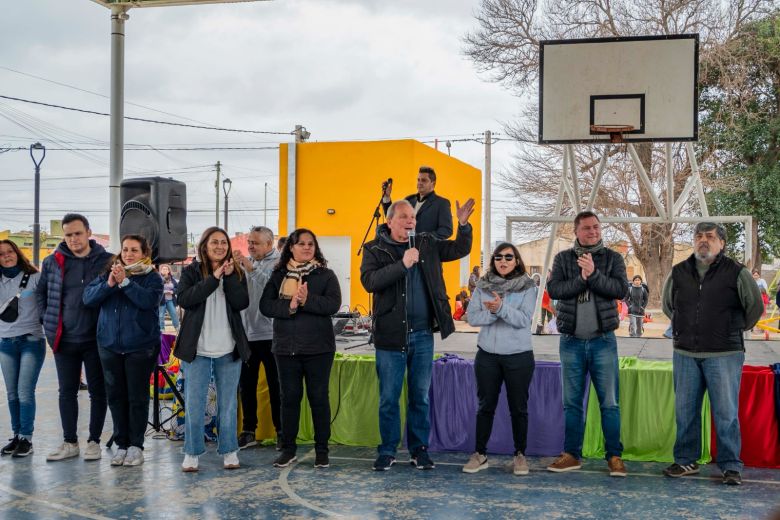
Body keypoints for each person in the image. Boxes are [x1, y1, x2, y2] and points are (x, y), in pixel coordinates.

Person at [361, 197, 475, 471]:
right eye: (404, 217)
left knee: (419, 397)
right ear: (389, 221)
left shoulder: (426, 243)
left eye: (413, 217)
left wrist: (463, 225)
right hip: (390, 336)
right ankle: (387, 450)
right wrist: (403, 264)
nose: (411, 221)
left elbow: (459, 248)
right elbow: (370, 282)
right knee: (389, 398)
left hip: (423, 335)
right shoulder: (374, 248)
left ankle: (419, 449)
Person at [661, 222, 763, 486]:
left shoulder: (738, 273)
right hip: (685, 353)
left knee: (726, 413)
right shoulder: (678, 272)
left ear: (722, 243)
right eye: (698, 236)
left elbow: (753, 309)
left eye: (709, 236)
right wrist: (687, 328)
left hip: (724, 354)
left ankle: (730, 466)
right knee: (686, 411)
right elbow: (669, 306)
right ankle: (686, 460)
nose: (703, 240)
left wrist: (729, 330)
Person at [546, 211, 628, 477]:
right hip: (571, 342)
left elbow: (620, 290)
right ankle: (572, 454)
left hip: (603, 341)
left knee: (610, 403)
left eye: (596, 227)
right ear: (576, 231)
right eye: (586, 228)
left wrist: (593, 275)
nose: (592, 231)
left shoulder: (613, 258)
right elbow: (555, 290)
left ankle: (614, 456)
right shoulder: (562, 259)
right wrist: (581, 279)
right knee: (571, 403)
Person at [260, 228, 341, 469]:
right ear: (291, 248)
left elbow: (333, 304)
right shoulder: (278, 276)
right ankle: (288, 449)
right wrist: (291, 305)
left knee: (318, 399)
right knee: (289, 400)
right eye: (301, 243)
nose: (307, 247)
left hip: (319, 349)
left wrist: (307, 300)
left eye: (311, 244)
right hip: (286, 349)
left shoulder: (326, 275)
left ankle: (322, 451)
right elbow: (266, 306)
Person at [36, 213, 112, 462]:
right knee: (66, 392)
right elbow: (41, 296)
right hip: (64, 340)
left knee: (97, 392)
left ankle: (93, 442)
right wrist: (47, 324)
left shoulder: (107, 260)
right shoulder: (52, 262)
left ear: (89, 232)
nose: (73, 238)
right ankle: (70, 442)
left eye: (77, 233)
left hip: (96, 340)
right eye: (68, 234)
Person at [82, 235, 163, 467]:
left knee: (137, 398)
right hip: (109, 346)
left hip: (140, 348)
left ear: (144, 253)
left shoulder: (152, 278)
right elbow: (88, 298)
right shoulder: (109, 273)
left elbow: (148, 301)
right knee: (116, 397)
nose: (128, 254)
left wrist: (126, 283)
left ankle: (136, 446)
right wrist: (109, 284)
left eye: (134, 250)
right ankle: (122, 444)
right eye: (125, 249)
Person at [176, 227, 250, 472]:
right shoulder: (191, 272)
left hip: (228, 348)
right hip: (196, 349)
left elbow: (241, 303)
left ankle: (229, 450)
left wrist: (228, 277)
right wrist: (214, 278)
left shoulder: (236, 273)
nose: (219, 246)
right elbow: (185, 299)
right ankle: (192, 453)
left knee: (227, 404)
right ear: (204, 246)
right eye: (214, 242)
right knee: (194, 403)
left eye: (223, 242)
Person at [462, 243, 537, 476]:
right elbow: (472, 317)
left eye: (508, 257)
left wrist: (501, 308)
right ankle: (480, 454)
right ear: (493, 261)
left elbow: (524, 320)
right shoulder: (482, 286)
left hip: (519, 356)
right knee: (485, 407)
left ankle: (520, 455)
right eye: (498, 257)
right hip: (487, 357)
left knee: (519, 408)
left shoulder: (528, 286)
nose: (503, 261)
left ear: (516, 261)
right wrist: (494, 313)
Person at [233, 226, 282, 450]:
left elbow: (273, 288)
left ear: (269, 244)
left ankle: (282, 431)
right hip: (246, 333)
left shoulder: (280, 264)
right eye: (250, 242)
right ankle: (248, 430)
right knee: (247, 385)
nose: (250, 246)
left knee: (276, 385)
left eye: (255, 243)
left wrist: (251, 269)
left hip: (271, 335)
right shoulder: (244, 264)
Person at [0, 240, 45, 458]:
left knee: (24, 392)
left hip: (31, 341)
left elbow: (49, 303)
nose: (6, 256)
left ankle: (27, 438)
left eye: (10, 252)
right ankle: (17, 435)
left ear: (18, 253)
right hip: (5, 343)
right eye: (1, 254)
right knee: (11, 394)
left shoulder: (35, 278)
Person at [381, 166, 453, 239]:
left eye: (424, 180)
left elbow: (446, 230)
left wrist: (422, 239)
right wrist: (386, 197)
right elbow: (393, 218)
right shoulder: (408, 199)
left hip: (427, 249)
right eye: (418, 180)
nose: (420, 183)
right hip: (404, 247)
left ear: (433, 183)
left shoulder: (442, 203)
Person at [158, 264, 180, 333]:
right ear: (160, 271)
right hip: (161, 300)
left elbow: (178, 288)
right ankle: (162, 330)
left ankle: (178, 328)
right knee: (161, 315)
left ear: (168, 271)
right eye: (163, 269)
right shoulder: (158, 279)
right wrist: (163, 291)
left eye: (166, 269)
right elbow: (156, 289)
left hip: (170, 300)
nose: (164, 270)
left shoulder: (172, 279)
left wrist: (172, 291)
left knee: (174, 314)